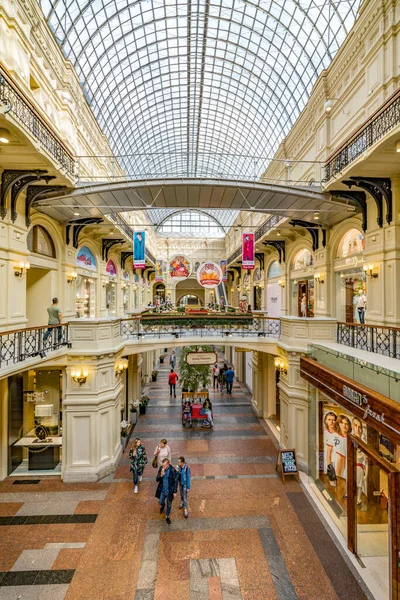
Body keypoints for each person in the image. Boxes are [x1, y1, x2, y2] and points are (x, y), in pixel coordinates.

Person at [156, 458, 178, 525]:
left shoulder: (172, 470)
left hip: (169, 491)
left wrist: (175, 491)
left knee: (169, 504)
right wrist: (161, 475)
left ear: (168, 464)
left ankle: (167, 516)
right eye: (162, 465)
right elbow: (157, 479)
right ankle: (163, 505)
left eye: (164, 466)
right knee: (160, 501)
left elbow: (175, 481)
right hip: (162, 490)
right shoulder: (161, 469)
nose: (163, 467)